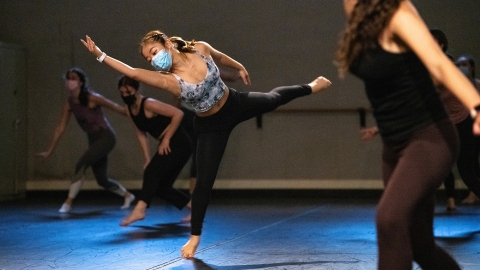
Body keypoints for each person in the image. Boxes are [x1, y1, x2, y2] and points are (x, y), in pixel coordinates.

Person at [81, 31, 332, 258]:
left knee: (273, 98)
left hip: (234, 103)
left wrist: (239, 66)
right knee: (204, 183)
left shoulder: (199, 47)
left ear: (167, 43)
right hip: (211, 126)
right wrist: (100, 56)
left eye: (154, 53)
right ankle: (194, 237)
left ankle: (310, 87)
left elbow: (220, 56)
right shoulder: (168, 80)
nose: (152, 60)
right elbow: (133, 73)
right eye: (148, 59)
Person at [337, 1, 480, 269]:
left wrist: (476, 106)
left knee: (389, 220)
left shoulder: (398, 13)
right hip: (394, 146)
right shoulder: (359, 26)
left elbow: (439, 64)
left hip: (429, 138)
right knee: (421, 246)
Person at [36, 67, 135, 213]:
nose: (70, 81)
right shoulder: (69, 103)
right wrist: (49, 151)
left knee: (81, 164)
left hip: (106, 137)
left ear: (81, 82)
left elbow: (117, 108)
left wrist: (137, 110)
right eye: (68, 78)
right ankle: (128, 195)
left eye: (74, 78)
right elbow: (60, 128)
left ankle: (68, 203)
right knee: (101, 179)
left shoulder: (92, 98)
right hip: (93, 139)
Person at [116, 75, 192, 226]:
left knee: (151, 172)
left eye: (128, 92)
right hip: (170, 144)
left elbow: (178, 114)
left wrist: (166, 139)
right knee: (160, 187)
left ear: (136, 90)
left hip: (179, 142)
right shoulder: (129, 109)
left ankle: (139, 210)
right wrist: (147, 158)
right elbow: (140, 133)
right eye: (122, 93)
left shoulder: (149, 104)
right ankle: (196, 209)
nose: (125, 95)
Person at [456, 55, 480, 205]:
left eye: (464, 64)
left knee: (469, 163)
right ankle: (474, 193)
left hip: (474, 126)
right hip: (462, 126)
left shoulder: (477, 84)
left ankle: (474, 193)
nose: (461, 67)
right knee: (466, 164)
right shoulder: (454, 84)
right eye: (458, 65)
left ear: (471, 67)